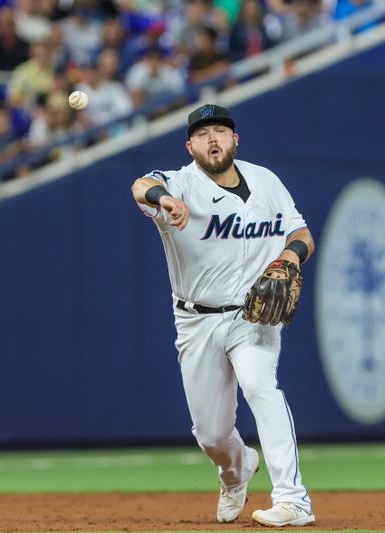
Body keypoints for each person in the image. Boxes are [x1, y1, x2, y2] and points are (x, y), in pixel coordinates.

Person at [130, 104, 316, 527]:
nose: (212, 139)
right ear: (190, 145)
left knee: (260, 386)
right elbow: (140, 186)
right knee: (211, 434)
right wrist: (165, 200)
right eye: (202, 134)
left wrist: (289, 255)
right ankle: (236, 469)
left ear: (235, 139)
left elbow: (301, 233)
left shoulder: (266, 180)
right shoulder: (180, 184)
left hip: (254, 315)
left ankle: (293, 499)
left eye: (220, 130)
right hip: (197, 320)